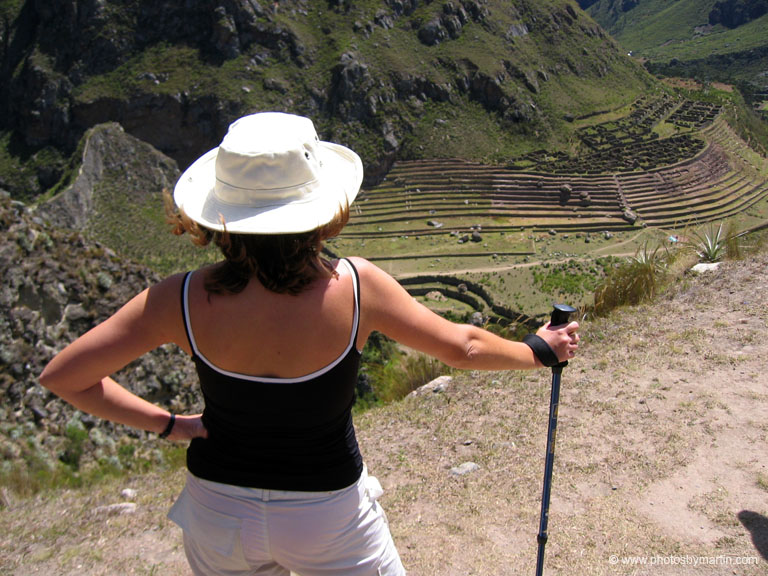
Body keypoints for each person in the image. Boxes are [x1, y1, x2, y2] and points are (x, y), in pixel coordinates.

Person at [40, 112, 579, 575]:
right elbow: (461, 346)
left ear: (221, 214)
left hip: (218, 510)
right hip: (328, 513)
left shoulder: (176, 299)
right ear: (323, 207)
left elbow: (64, 377)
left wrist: (171, 425)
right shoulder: (358, 286)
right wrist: (537, 349)